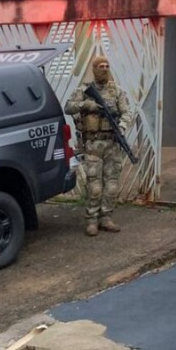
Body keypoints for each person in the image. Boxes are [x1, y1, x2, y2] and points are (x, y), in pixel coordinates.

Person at [65, 54, 132, 237]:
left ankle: (106, 218)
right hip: (93, 145)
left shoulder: (116, 91)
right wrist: (86, 105)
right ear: (94, 69)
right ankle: (92, 219)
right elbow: (68, 107)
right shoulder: (84, 90)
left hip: (112, 144)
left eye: (106, 66)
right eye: (100, 66)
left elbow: (127, 112)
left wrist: (122, 127)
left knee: (112, 185)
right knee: (94, 186)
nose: (104, 69)